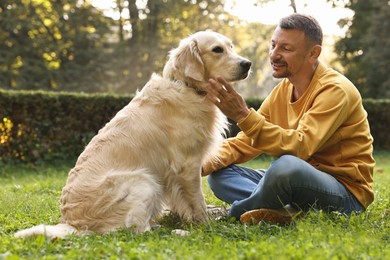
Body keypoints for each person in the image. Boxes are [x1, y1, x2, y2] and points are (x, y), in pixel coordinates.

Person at [202, 13, 375, 225]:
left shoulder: (335, 90)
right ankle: (284, 211)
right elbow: (245, 141)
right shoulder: (282, 91)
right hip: (298, 182)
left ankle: (234, 213)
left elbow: (301, 146)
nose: (274, 55)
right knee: (221, 175)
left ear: (313, 53)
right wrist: (197, 163)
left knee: (285, 167)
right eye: (273, 45)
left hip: (345, 194)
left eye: (285, 49)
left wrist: (242, 115)